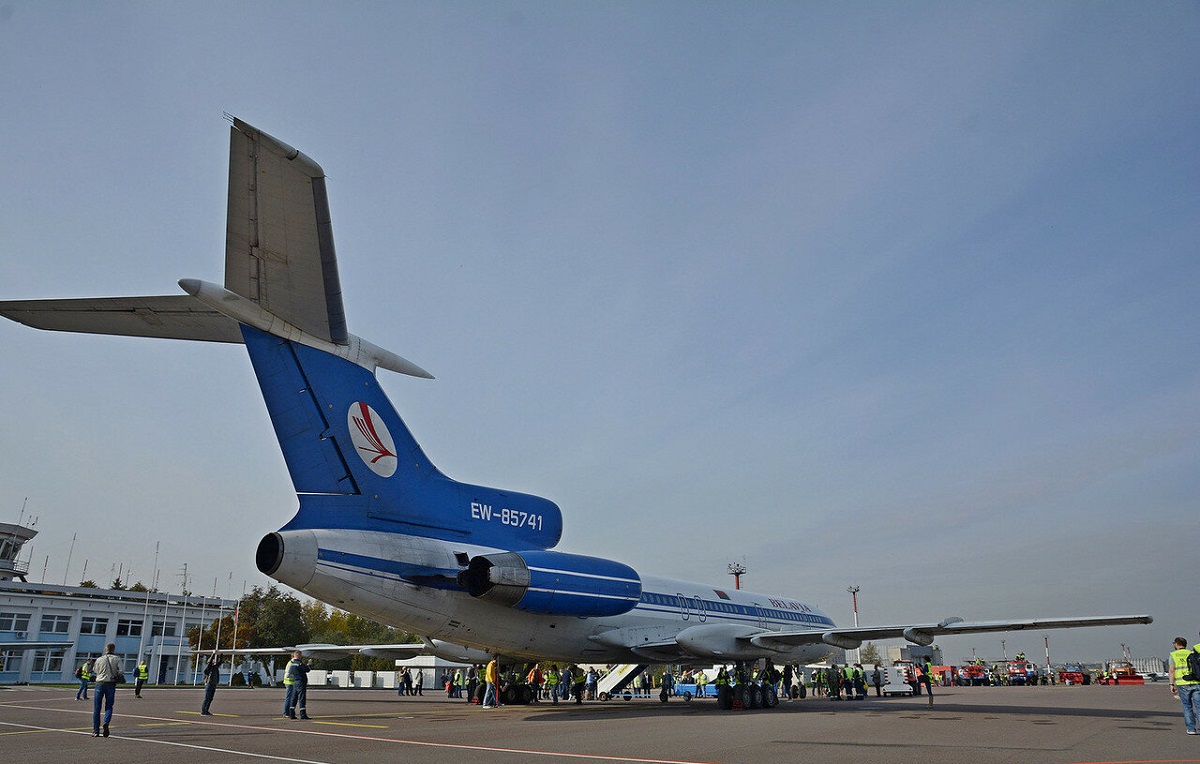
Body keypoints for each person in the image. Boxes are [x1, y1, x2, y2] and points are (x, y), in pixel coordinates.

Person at [1170, 636, 1200, 735]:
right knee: (1199, 706)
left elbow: (1171, 671)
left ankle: (1191, 729)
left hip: (1182, 683)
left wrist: (1171, 684)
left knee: (1187, 706)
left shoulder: (1173, 655)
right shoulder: (1192, 653)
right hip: (1195, 682)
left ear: (1176, 644)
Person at [91, 643, 121, 738]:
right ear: (114, 649)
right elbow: (121, 671)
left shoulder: (99, 659)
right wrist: (116, 674)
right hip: (110, 683)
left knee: (97, 707)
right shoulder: (117, 659)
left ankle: (96, 731)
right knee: (109, 706)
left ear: (105, 649)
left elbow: (95, 670)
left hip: (99, 683)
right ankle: (106, 722)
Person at [283, 650, 311, 719]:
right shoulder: (299, 663)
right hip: (300, 682)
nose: (301, 657)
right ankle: (303, 714)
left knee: (294, 698)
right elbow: (307, 669)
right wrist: (309, 664)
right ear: (298, 655)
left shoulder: (291, 664)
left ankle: (292, 713)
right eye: (300, 655)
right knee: (301, 698)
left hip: (295, 682)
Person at [200, 651, 222, 715]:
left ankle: (206, 710)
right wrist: (213, 653)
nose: (213, 661)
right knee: (207, 698)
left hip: (214, 685)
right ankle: (203, 711)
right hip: (209, 684)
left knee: (210, 698)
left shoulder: (215, 667)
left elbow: (219, 662)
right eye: (212, 660)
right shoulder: (208, 669)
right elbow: (209, 664)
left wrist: (221, 655)